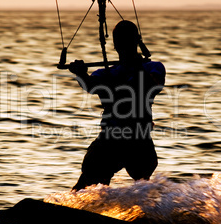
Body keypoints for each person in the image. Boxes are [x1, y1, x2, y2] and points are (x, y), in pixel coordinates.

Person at [68, 20, 165, 191]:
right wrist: (81, 74)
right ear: (115, 45)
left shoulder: (153, 67)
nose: (124, 45)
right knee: (88, 183)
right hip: (110, 139)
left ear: (137, 41)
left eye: (128, 40)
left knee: (143, 186)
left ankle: (153, 214)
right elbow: (91, 86)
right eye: (120, 41)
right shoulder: (107, 72)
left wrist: (135, 65)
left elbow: (153, 85)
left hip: (139, 139)